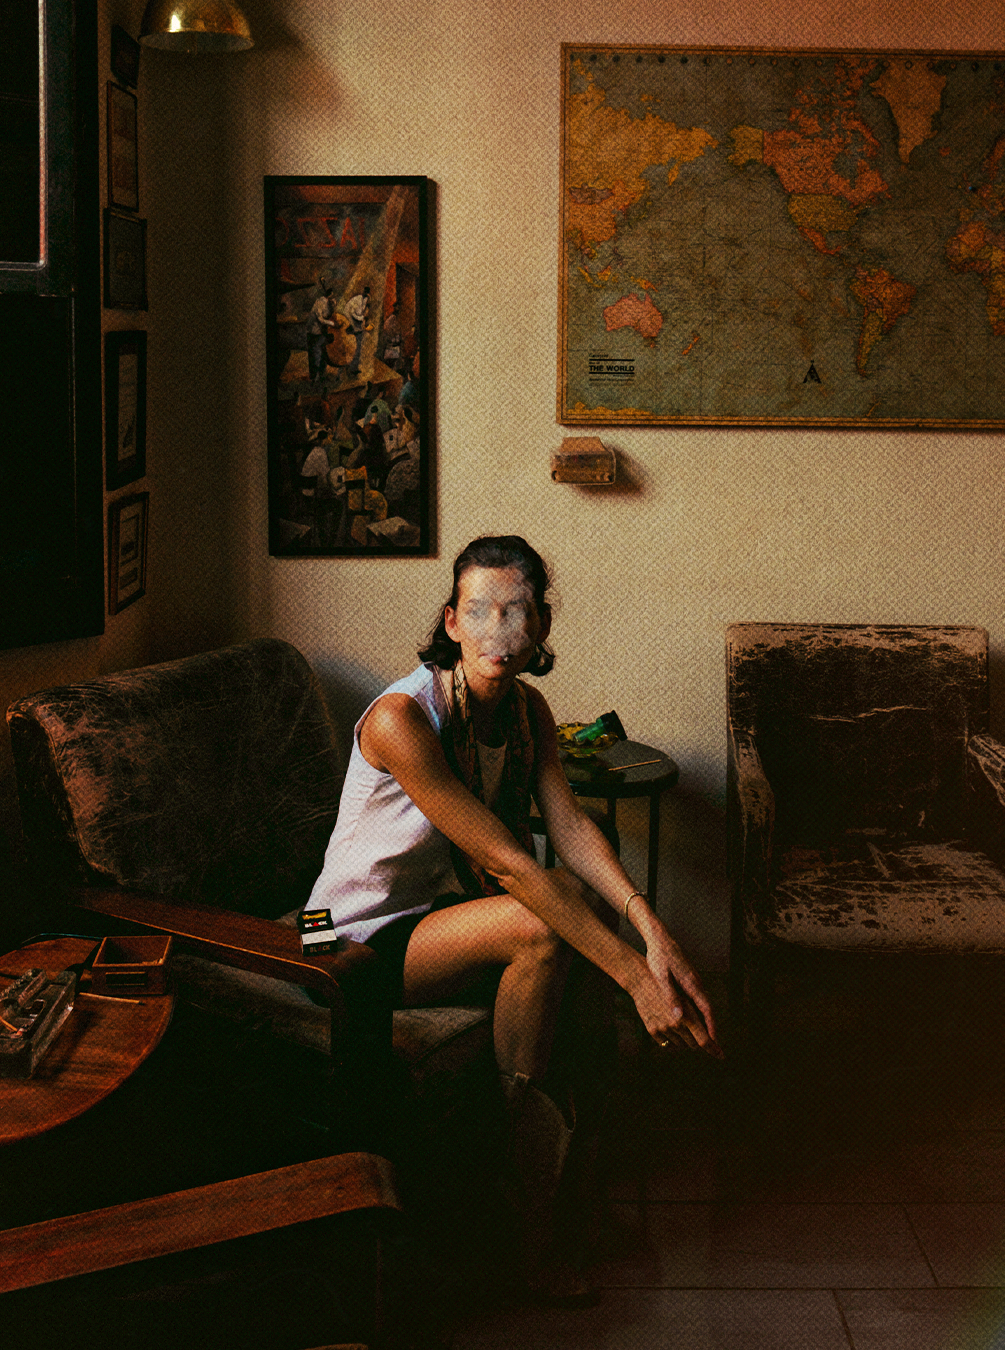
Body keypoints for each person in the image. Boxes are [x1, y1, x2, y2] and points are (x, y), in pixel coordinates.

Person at [304, 535, 721, 1299]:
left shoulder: (526, 711)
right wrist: (634, 977)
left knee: (583, 910)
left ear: (539, 629)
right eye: (478, 610)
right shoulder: (403, 718)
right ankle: (513, 1224)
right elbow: (508, 865)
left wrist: (654, 934)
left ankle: (566, 1192)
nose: (498, 630)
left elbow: (569, 832)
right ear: (451, 622)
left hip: (434, 917)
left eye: (517, 611)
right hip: (336, 938)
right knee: (542, 924)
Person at [343, 285, 371, 377]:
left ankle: (354, 368)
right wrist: (362, 318)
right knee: (352, 347)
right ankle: (349, 369)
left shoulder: (365, 300)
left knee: (357, 347)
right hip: (350, 324)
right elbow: (353, 313)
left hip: (356, 326)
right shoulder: (358, 300)